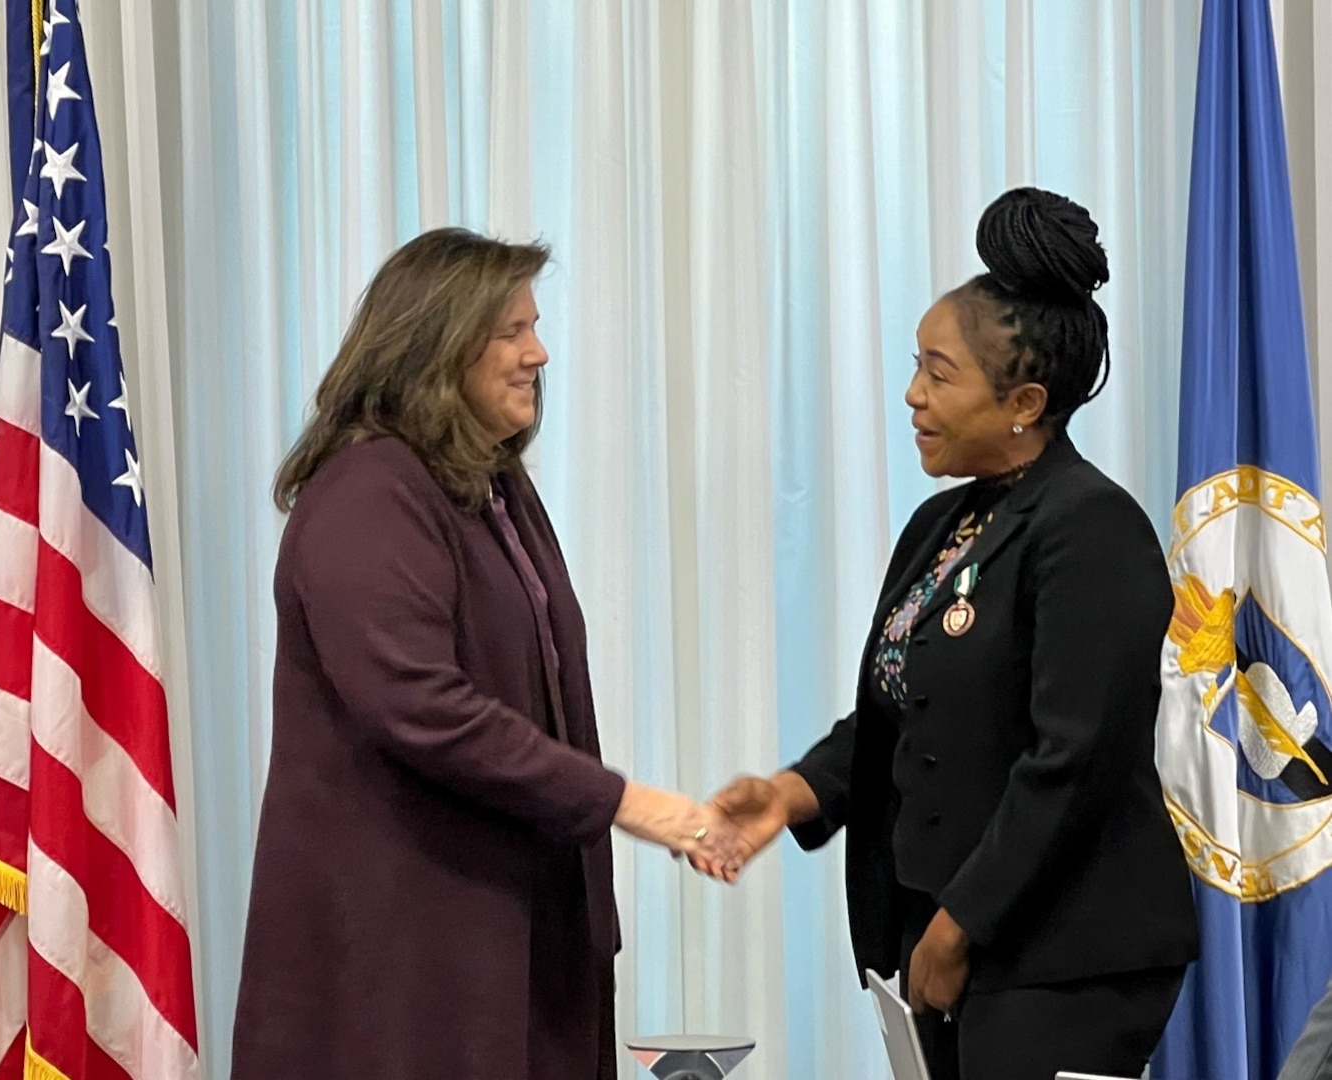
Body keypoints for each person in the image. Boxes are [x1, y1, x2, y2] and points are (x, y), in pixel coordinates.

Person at [698, 188, 1199, 1080]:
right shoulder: (942, 526)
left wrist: (963, 923)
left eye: (938, 372)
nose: (912, 394)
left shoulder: (1091, 528)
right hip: (948, 934)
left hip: (1061, 952)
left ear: (1023, 401)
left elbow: (1073, 760)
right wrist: (789, 793)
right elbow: (906, 708)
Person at [231, 228, 732, 1080]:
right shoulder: (369, 492)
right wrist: (629, 803)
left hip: (512, 929)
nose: (539, 353)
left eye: (535, 328)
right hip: (408, 952)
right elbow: (418, 705)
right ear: (437, 342)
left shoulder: (490, 485)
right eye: (512, 331)